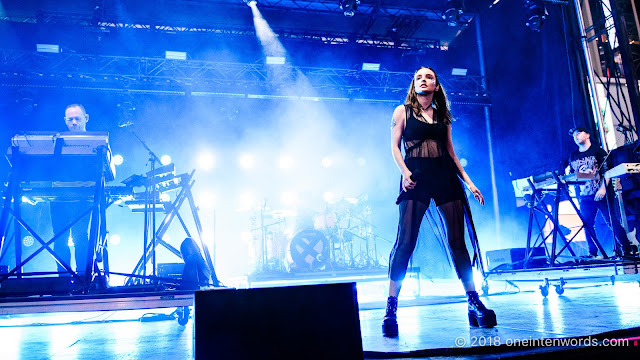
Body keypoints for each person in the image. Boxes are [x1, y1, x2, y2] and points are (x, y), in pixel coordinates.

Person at [383, 67, 496, 337]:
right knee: (406, 241)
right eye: (419, 76)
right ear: (414, 84)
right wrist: (405, 173)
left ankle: (473, 301)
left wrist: (469, 182)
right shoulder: (402, 111)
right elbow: (394, 147)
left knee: (458, 241)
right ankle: (391, 308)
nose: (424, 79)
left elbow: (451, 153)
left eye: (429, 77)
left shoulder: (443, 116)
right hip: (416, 176)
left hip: (445, 175)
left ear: (435, 86)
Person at [565, 126, 632, 258]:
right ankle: (592, 253)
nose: (576, 136)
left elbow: (607, 172)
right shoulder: (573, 155)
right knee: (587, 224)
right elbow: (572, 175)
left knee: (611, 220)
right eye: (574, 135)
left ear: (587, 135)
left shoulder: (598, 151)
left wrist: (602, 188)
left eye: (579, 133)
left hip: (602, 193)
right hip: (584, 196)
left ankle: (627, 249)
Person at [50, 104, 92, 276]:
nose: (74, 122)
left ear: (86, 118)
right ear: (65, 120)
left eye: (77, 118)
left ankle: (84, 278)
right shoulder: (57, 141)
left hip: (84, 197)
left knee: (81, 238)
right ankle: (63, 279)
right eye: (70, 119)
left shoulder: (95, 140)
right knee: (59, 240)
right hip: (59, 197)